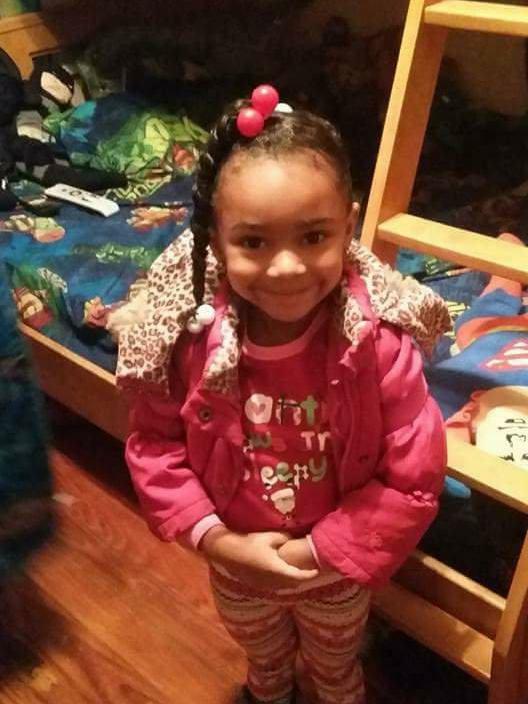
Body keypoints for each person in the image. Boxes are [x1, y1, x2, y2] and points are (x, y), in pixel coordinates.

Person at [113, 86, 451, 704]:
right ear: (216, 239)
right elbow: (155, 446)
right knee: (262, 660)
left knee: (336, 663)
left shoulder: (378, 345)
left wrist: (326, 551)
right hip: (236, 565)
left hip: (336, 571)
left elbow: (413, 474)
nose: (287, 267)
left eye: (314, 236)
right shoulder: (188, 343)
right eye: (254, 242)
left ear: (348, 226)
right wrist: (218, 542)